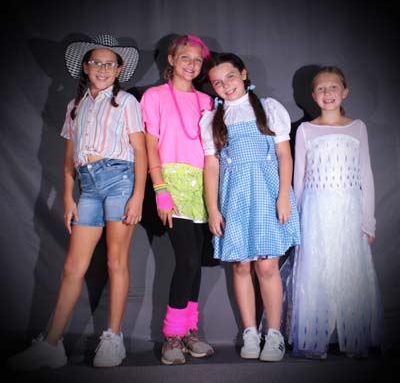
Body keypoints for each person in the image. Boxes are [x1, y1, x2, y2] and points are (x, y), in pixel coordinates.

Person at [7, 34, 147, 370]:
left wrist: (138, 195)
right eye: (96, 62)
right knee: (73, 266)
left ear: (119, 70)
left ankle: (113, 338)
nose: (102, 69)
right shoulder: (75, 106)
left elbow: (140, 150)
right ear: (85, 67)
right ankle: (52, 344)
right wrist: (69, 197)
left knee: (116, 260)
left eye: (109, 64)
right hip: (89, 187)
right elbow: (69, 157)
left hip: (120, 180)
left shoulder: (126, 102)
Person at [200, 52, 300, 362]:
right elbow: (211, 166)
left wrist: (283, 197)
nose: (225, 85)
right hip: (235, 198)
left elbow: (284, 155)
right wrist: (213, 209)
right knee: (241, 266)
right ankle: (250, 332)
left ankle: (274, 333)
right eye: (217, 82)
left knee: (267, 266)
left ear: (243, 74)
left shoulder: (268, 108)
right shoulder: (212, 119)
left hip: (267, 194)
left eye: (230, 77)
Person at [288, 66, 385, 359]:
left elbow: (366, 174)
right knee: (315, 272)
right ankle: (312, 339)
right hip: (315, 213)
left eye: (333, 87)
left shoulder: (357, 127)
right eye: (321, 88)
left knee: (349, 271)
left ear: (344, 92)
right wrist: (297, 221)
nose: (327, 93)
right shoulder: (305, 130)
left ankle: (354, 339)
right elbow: (299, 177)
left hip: (349, 213)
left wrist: (369, 220)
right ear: (312, 95)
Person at [140, 34, 215, 365]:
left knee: (196, 262)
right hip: (172, 181)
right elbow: (150, 145)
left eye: (198, 60)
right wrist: (160, 189)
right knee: (186, 259)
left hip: (203, 185)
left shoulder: (207, 101)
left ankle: (190, 331)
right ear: (171, 60)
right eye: (185, 57)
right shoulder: (154, 96)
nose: (192, 65)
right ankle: (172, 335)